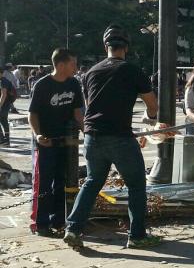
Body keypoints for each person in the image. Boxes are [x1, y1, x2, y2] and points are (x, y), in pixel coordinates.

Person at [64, 24, 163, 250]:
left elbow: (90, 105)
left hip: (92, 136)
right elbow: (152, 105)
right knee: (136, 184)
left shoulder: (90, 72)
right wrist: (151, 118)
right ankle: (137, 236)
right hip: (119, 136)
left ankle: (73, 228)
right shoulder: (132, 70)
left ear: (105, 46)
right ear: (126, 47)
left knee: (92, 182)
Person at [28, 48, 84, 236]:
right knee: (44, 183)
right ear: (60, 65)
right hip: (46, 142)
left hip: (66, 142)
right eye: (73, 63)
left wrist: (88, 132)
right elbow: (32, 114)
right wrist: (38, 135)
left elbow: (78, 113)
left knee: (62, 182)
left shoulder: (74, 83)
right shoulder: (42, 85)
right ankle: (41, 224)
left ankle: (58, 220)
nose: (76, 67)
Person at [0, 68, 16, 146]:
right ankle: (5, 140)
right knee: (4, 122)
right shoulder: (4, 81)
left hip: (4, 105)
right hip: (5, 104)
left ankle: (3, 139)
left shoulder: (3, 81)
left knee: (4, 121)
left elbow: (3, 95)